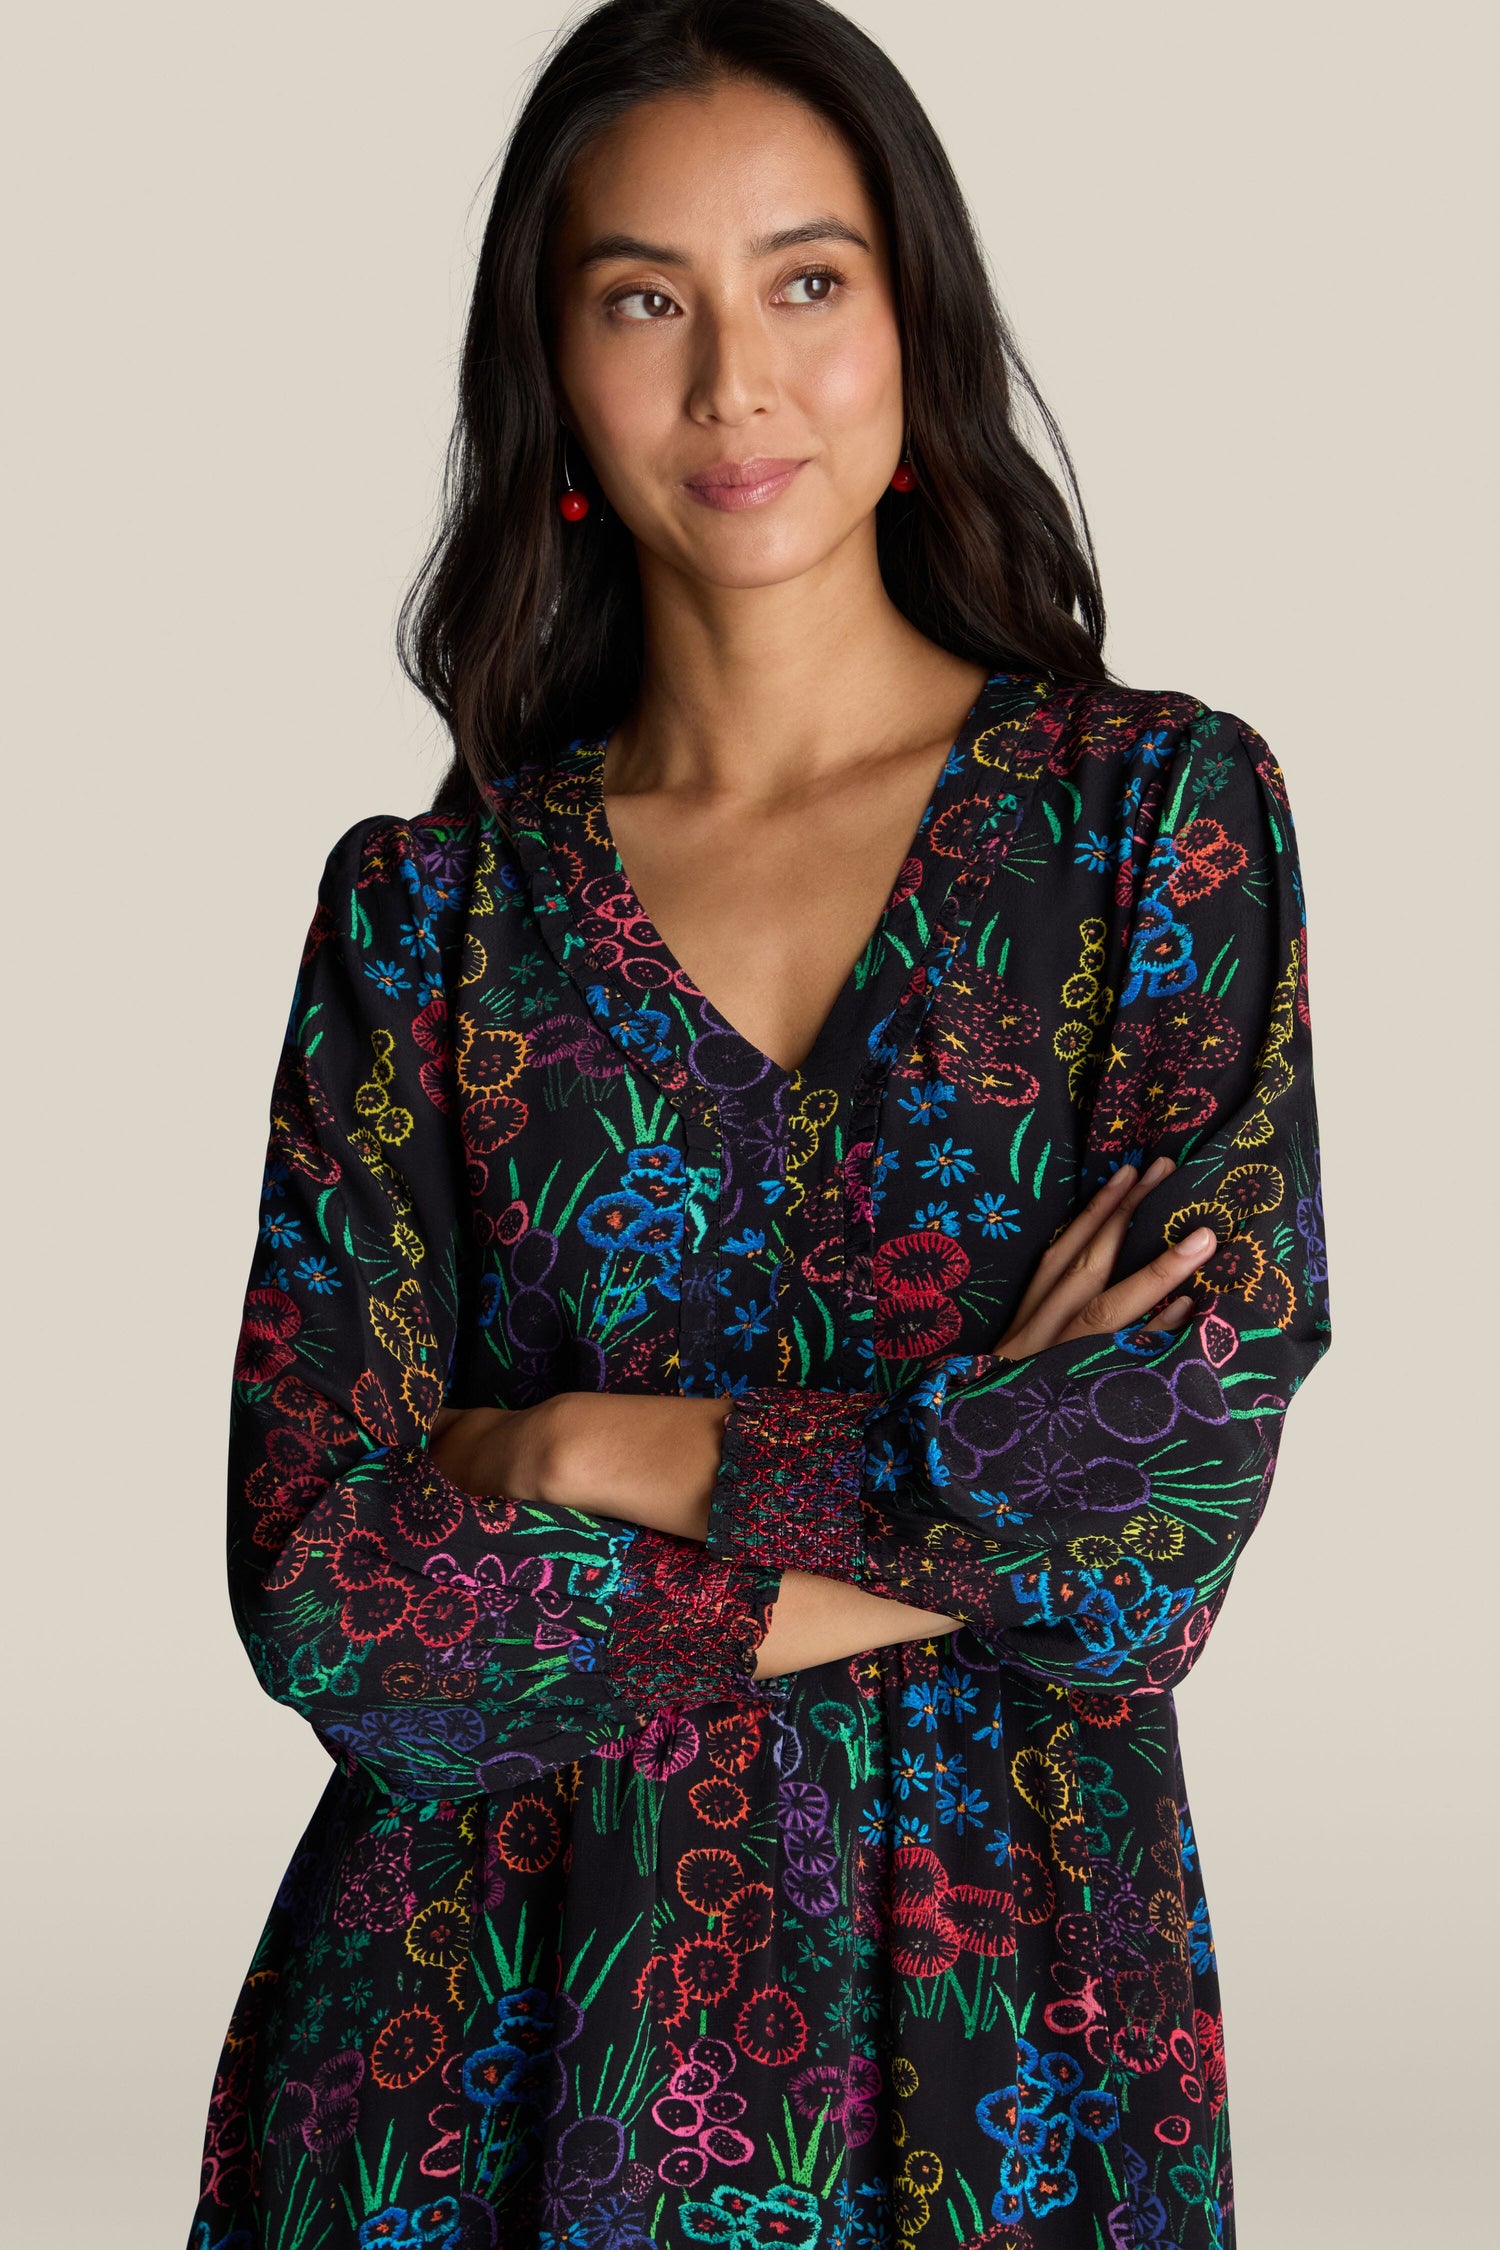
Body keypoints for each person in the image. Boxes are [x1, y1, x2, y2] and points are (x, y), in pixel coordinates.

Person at [188, 4, 1331, 2246]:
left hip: (1015, 2077)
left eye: (807, 281)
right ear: (552, 385)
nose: (735, 380)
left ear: (917, 324)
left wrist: (590, 1450)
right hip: (469, 2082)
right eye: (646, 298)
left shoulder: (1148, 827)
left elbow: (1153, 1515)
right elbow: (338, 1602)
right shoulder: (425, 923)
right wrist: (961, 1515)